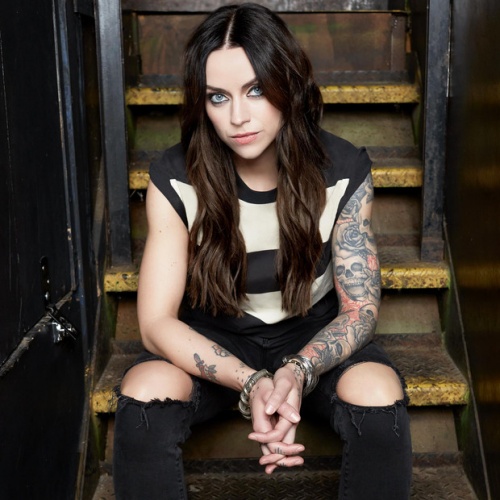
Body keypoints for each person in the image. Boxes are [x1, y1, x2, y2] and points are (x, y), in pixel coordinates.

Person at [112, 3, 412, 499]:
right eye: (218, 96)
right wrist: (252, 382)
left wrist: (297, 370)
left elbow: (360, 309)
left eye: (255, 90)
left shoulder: (342, 169)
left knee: (378, 393)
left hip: (313, 334)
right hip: (212, 336)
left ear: (287, 84)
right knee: (144, 391)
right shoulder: (175, 176)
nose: (237, 117)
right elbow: (155, 323)